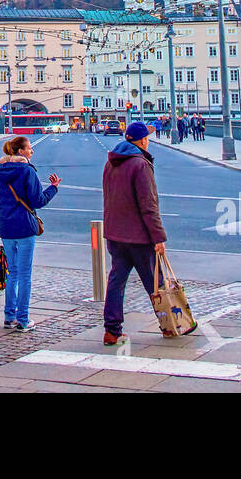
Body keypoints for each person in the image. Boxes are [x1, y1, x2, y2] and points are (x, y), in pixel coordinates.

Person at [101, 122, 167, 346]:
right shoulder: (140, 164)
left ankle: (112, 330)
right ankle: (170, 324)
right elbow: (148, 205)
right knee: (155, 283)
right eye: (147, 137)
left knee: (116, 281)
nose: (149, 139)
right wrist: (158, 237)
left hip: (115, 233)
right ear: (142, 141)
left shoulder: (111, 163)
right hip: (138, 235)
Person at [0, 136, 60, 332]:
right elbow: (38, 201)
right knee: (24, 274)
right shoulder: (27, 171)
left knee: (12, 273)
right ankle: (23, 319)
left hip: (5, 228)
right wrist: (53, 189)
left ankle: (9, 316)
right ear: (20, 151)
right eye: (29, 148)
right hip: (24, 228)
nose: (32, 151)